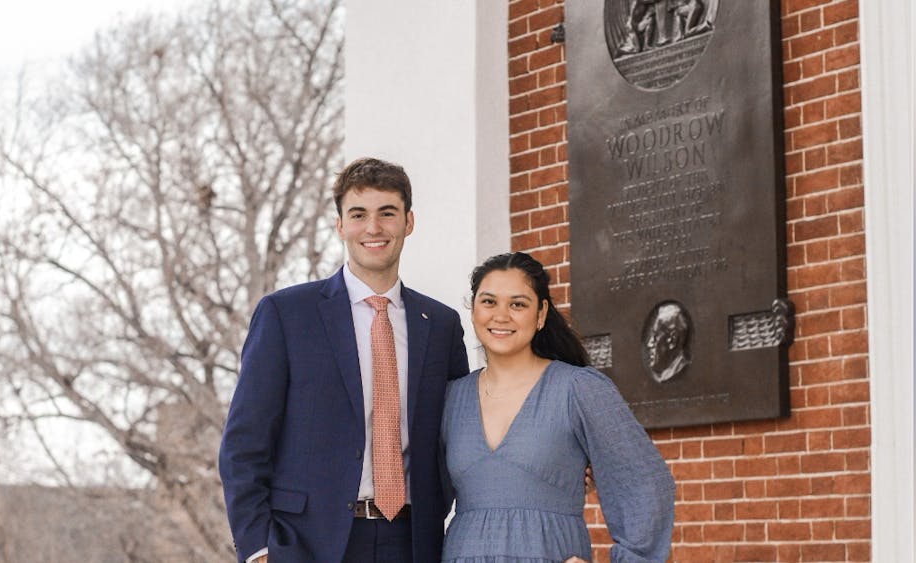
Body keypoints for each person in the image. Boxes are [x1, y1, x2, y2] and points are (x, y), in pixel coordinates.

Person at [219, 157, 469, 562]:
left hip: (413, 541)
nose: (373, 228)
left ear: (408, 222)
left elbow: (463, 431)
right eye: (359, 215)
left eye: (387, 213)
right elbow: (244, 444)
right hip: (306, 544)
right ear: (340, 226)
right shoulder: (286, 314)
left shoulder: (440, 325)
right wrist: (258, 548)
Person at [440, 252, 674, 562]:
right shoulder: (450, 398)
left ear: (540, 315)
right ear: (473, 311)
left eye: (518, 304)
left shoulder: (578, 388)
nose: (501, 315)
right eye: (489, 302)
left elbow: (645, 484)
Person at [642, 301, 691, 383]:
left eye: (655, 336)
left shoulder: (681, 370)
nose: (649, 344)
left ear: (672, 340)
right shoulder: (661, 375)